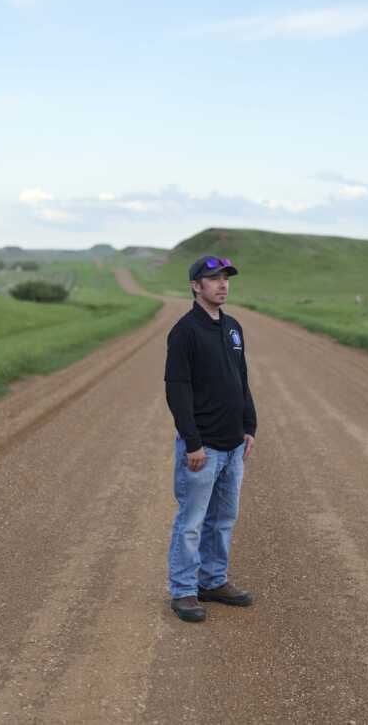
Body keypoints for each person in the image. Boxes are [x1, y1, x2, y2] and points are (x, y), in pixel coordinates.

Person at [163, 255, 258, 623]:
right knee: (192, 521)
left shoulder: (232, 327)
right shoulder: (185, 331)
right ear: (195, 285)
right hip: (203, 447)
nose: (222, 284)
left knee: (223, 519)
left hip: (234, 445)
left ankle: (213, 581)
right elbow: (177, 389)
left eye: (225, 278)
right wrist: (192, 442)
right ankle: (184, 591)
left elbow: (241, 377)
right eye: (213, 278)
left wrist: (249, 426)